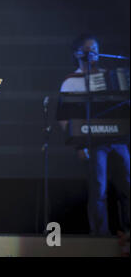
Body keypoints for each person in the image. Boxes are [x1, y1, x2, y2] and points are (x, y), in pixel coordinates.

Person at [57, 34, 130, 237]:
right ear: (78, 53)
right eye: (89, 49)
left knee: (127, 183)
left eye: (96, 48)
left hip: (117, 139)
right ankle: (100, 235)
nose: (93, 53)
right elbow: (63, 118)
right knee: (99, 188)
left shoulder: (110, 77)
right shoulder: (71, 82)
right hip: (93, 142)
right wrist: (79, 145)